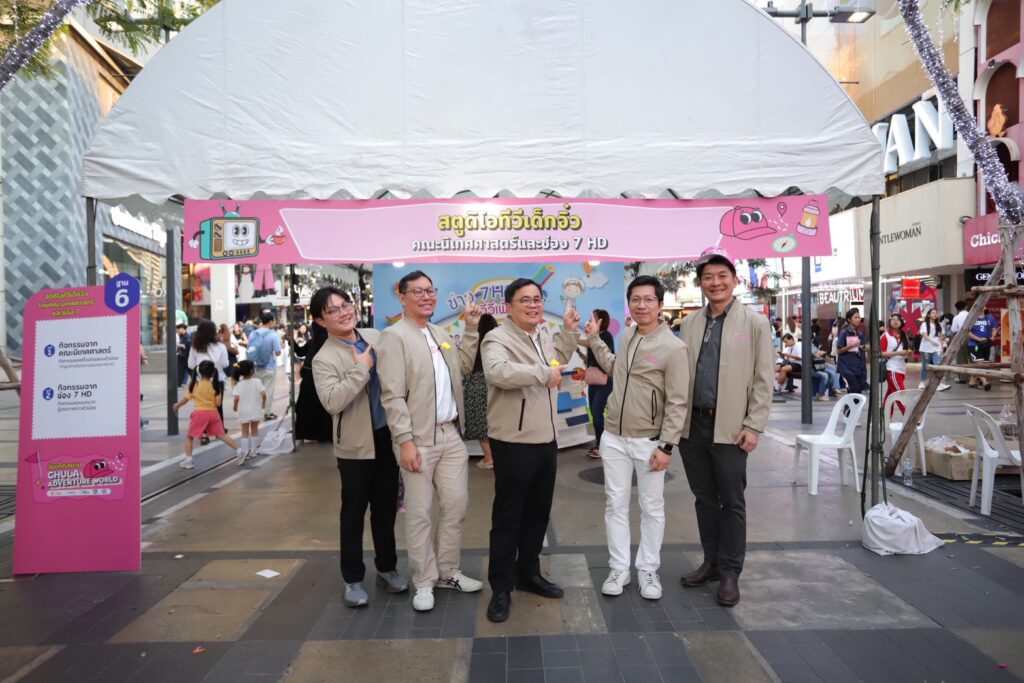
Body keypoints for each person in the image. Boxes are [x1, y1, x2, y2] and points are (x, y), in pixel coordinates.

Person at [377, 271, 484, 613]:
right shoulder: (394, 337)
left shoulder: (440, 334)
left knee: (456, 505)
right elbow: (392, 395)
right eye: (418, 292)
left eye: (430, 291)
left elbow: (462, 367)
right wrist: (404, 441)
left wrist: (470, 328)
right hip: (417, 439)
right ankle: (424, 580)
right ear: (402, 297)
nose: (426, 297)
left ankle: (448, 572)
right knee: (420, 513)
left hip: (450, 435)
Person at [480, 278, 579, 623]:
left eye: (537, 299)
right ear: (508, 306)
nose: (534, 305)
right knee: (508, 517)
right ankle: (501, 587)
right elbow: (498, 372)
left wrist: (568, 333)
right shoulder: (497, 338)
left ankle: (528, 573)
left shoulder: (543, 334)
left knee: (538, 513)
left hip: (546, 441)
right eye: (525, 300)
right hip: (513, 442)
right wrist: (542, 373)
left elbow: (557, 363)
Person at [677, 254, 773, 608]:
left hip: (732, 428)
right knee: (704, 499)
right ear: (700, 283)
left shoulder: (755, 323)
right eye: (708, 277)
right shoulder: (689, 323)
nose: (715, 282)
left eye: (722, 276)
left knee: (731, 501)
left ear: (735, 280)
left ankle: (731, 572)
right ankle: (712, 563)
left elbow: (763, 378)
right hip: (693, 427)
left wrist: (754, 425)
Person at [584, 277, 688, 601]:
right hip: (614, 437)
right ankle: (619, 568)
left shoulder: (674, 348)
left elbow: (678, 401)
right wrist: (594, 340)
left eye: (648, 299)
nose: (641, 305)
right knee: (614, 504)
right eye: (636, 299)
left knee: (651, 507)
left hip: (649, 441)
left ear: (660, 304)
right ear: (629, 303)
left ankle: (647, 568)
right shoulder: (627, 335)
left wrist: (666, 445)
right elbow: (617, 369)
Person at [311, 286, 407, 607]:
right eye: (333, 310)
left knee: (385, 509)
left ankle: (387, 568)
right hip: (354, 446)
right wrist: (361, 368)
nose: (343, 312)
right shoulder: (324, 358)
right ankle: (352, 579)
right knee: (353, 514)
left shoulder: (374, 337)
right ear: (321, 320)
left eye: (345, 305)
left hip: (386, 437)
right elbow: (332, 401)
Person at [172, 360, 245, 470]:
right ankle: (240, 451)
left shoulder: (194, 384)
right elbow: (218, 403)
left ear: (199, 372)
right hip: (213, 413)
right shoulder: (215, 385)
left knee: (189, 437)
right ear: (212, 373)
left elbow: (185, 399)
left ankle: (189, 460)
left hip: (199, 414)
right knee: (221, 435)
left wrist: (177, 405)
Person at [577, 309, 614, 459]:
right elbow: (592, 359)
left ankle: (602, 446)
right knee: (594, 413)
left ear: (601, 321)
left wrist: (573, 339)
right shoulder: (593, 337)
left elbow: (593, 345)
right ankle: (601, 443)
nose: (590, 321)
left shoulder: (606, 336)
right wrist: (580, 354)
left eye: (594, 318)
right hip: (593, 381)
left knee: (597, 413)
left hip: (604, 381)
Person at [463, 313, 499, 469]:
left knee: (481, 422)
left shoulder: (473, 341)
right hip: (495, 383)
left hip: (476, 383)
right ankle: (497, 457)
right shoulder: (497, 341)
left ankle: (489, 458)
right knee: (496, 421)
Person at [188, 319, 231, 445]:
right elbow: (225, 364)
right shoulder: (221, 346)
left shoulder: (195, 347)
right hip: (217, 380)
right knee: (217, 406)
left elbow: (191, 364)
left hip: (200, 381)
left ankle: (204, 435)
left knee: (201, 407)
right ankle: (219, 431)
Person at [294, 320, 334, 443]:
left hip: (316, 380)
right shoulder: (318, 341)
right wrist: (292, 342)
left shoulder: (325, 342)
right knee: (314, 408)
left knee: (311, 407)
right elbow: (300, 351)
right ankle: (317, 434)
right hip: (314, 380)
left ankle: (314, 433)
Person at [248, 312, 283, 420]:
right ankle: (267, 413)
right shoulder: (273, 335)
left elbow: (250, 349)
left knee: (256, 391)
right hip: (269, 367)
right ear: (271, 321)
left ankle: (255, 413)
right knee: (268, 391)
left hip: (255, 367)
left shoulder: (253, 334)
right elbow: (278, 352)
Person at [231, 360, 265, 464]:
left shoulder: (238, 384)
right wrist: (263, 403)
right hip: (255, 409)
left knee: (244, 432)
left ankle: (244, 451)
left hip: (243, 411)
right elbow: (263, 394)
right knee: (255, 430)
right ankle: (254, 451)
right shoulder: (257, 381)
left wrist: (235, 407)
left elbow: (236, 398)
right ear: (252, 370)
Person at [881, 313, 912, 409]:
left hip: (901, 368)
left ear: (902, 322)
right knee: (900, 394)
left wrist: (907, 353)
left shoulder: (904, 335)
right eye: (893, 319)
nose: (895, 321)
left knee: (890, 395)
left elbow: (906, 350)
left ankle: (883, 415)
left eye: (897, 320)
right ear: (889, 322)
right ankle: (908, 415)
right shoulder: (886, 336)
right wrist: (898, 353)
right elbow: (882, 353)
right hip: (892, 369)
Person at [836, 308, 868, 394]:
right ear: (849, 319)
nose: (858, 319)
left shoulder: (859, 333)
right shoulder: (844, 333)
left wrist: (865, 348)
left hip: (858, 366)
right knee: (853, 390)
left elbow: (862, 347)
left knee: (858, 392)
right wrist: (851, 346)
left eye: (859, 317)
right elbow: (838, 351)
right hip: (847, 367)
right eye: (855, 317)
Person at [918, 307, 949, 391]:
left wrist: (941, 348)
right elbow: (925, 335)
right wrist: (932, 341)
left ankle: (938, 384)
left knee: (937, 365)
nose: (935, 314)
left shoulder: (940, 325)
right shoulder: (924, 324)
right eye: (933, 313)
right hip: (926, 348)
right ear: (928, 315)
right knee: (925, 365)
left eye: (936, 313)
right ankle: (922, 382)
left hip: (937, 348)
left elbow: (942, 337)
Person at [967, 307, 996, 390]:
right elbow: (967, 332)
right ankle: (985, 383)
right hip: (974, 344)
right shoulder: (971, 318)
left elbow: (994, 329)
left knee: (983, 365)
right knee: (980, 363)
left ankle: (972, 382)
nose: (982, 306)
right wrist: (978, 339)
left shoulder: (990, 318)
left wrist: (993, 336)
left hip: (986, 344)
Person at [950, 300, 970, 383]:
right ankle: (977, 378)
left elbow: (953, 329)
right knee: (974, 358)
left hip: (961, 338)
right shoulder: (971, 314)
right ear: (966, 306)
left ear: (957, 309)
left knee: (961, 358)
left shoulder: (956, 317)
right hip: (974, 337)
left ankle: (963, 378)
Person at [175, 323, 192, 388]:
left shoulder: (187, 336)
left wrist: (178, 345)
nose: (177, 331)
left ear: (182, 328)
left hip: (186, 357)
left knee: (190, 370)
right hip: (181, 356)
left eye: (178, 329)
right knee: (180, 370)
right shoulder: (182, 336)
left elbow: (186, 346)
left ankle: (196, 382)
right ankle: (178, 384)